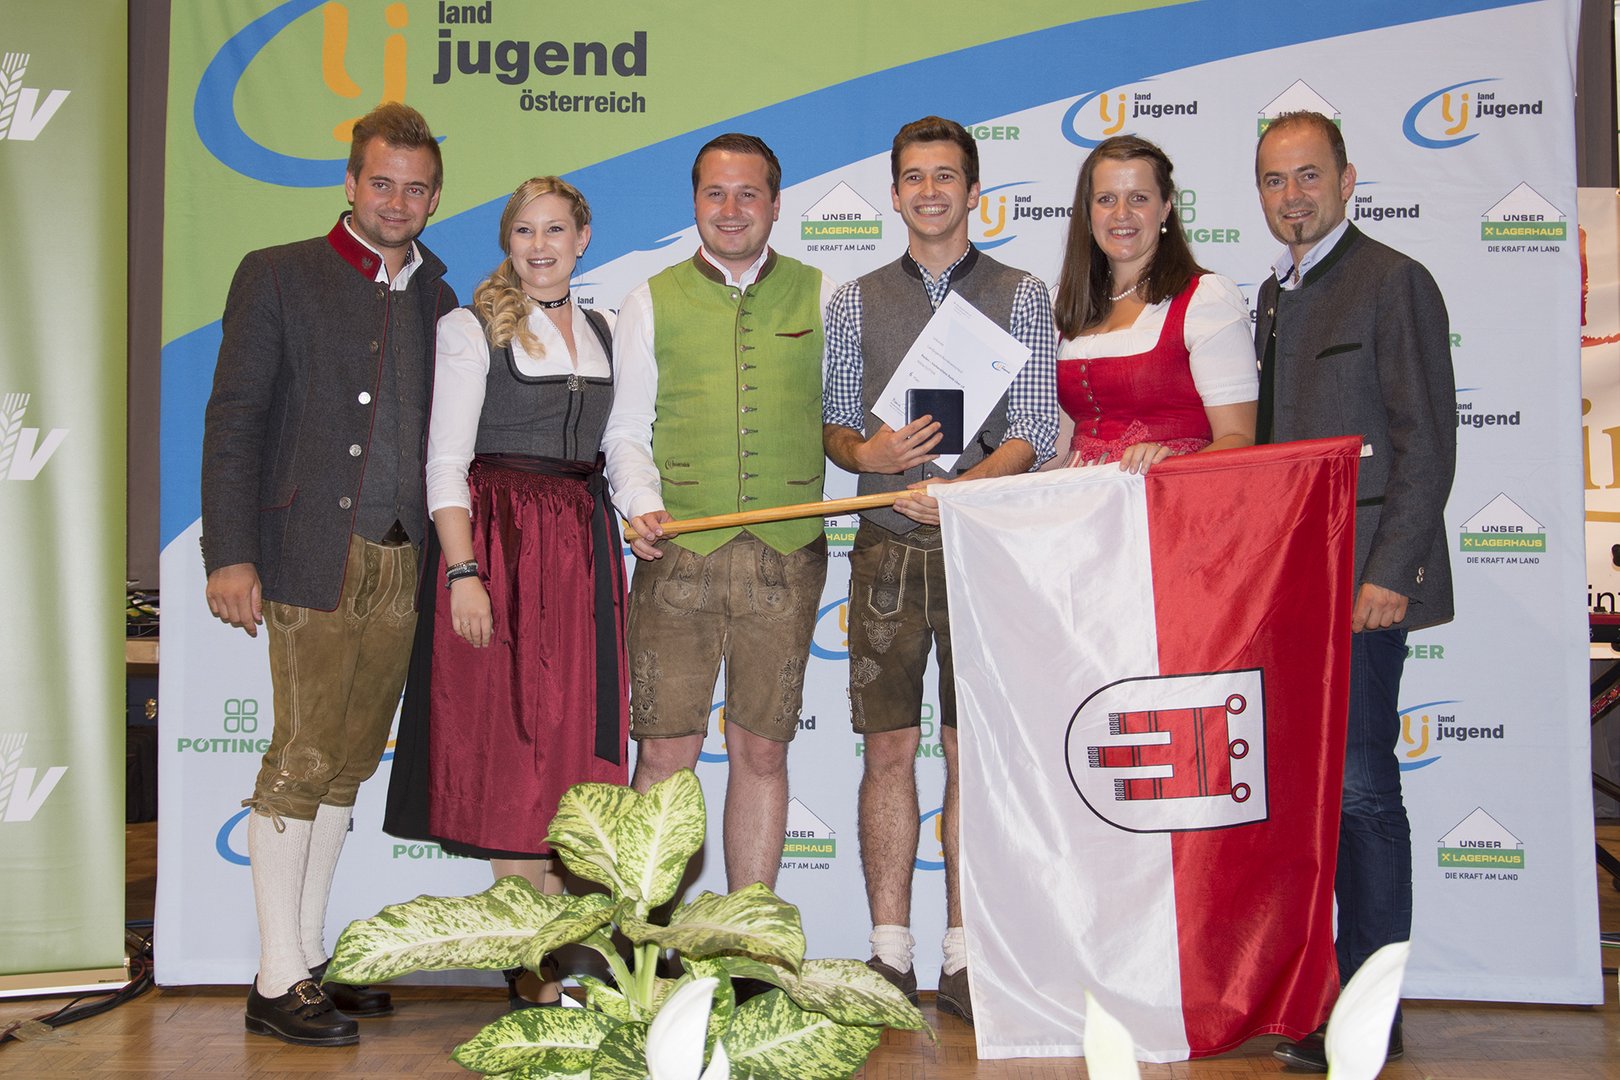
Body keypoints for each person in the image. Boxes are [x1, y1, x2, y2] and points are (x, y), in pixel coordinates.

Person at [201, 103, 458, 1047]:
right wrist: (230, 552)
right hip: (308, 552)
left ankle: (305, 958)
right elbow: (234, 418)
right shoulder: (277, 273)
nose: (397, 200)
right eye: (381, 182)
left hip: (404, 557)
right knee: (303, 757)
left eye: (415, 188)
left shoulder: (442, 297)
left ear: (434, 198)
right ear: (350, 184)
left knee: (349, 762)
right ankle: (275, 978)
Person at [821, 116, 1058, 1025]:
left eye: (947, 176)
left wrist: (966, 492)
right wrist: (868, 454)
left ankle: (964, 955)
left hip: (984, 548)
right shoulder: (854, 300)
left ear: (974, 191)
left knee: (969, 751)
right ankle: (889, 953)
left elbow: (1034, 427)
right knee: (887, 749)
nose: (930, 191)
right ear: (893, 194)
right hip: (884, 546)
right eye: (914, 177)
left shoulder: (1021, 293)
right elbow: (835, 421)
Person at [382, 177, 627, 1007]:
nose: (540, 245)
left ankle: (552, 945)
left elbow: (624, 446)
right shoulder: (469, 328)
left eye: (555, 230)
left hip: (582, 552)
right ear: (507, 241)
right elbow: (445, 462)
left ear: (582, 238)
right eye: (525, 230)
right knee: (513, 751)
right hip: (503, 546)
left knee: (568, 752)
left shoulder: (609, 329)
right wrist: (463, 573)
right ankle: (530, 962)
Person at [1254, 111, 1456, 1072]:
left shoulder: (1393, 280)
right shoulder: (1272, 296)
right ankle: (1332, 996)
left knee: (1365, 793)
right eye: (1274, 180)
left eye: (1308, 175)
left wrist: (1391, 572)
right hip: (1292, 587)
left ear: (1346, 179)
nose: (1292, 196)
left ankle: (1371, 1016)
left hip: (1365, 584)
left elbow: (1429, 442)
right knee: (1319, 801)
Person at [601, 133, 835, 894]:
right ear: (695, 202)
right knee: (665, 754)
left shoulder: (825, 294)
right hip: (678, 555)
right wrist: (642, 503)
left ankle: (749, 940)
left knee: (762, 753)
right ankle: (645, 938)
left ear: (776, 203)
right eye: (715, 193)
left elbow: (852, 418)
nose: (731, 209)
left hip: (787, 555)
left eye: (748, 193)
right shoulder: (650, 300)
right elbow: (625, 431)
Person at [1051, 134, 1256, 474]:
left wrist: (1171, 466)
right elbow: (1059, 446)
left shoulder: (1205, 300)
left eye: (1139, 198)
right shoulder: (1064, 304)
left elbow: (1239, 438)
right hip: (1080, 497)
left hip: (1172, 498)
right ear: (1088, 212)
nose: (1121, 214)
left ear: (1165, 208)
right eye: (1106, 199)